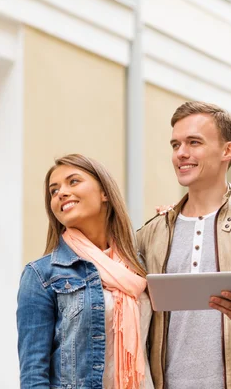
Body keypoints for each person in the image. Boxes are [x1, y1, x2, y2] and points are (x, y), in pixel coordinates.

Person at [137, 101, 231, 389]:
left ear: (227, 151)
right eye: (175, 145)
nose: (181, 153)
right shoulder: (150, 234)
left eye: (193, 142)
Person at [17, 154, 154, 389]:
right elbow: (33, 375)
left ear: (105, 193)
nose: (61, 193)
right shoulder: (41, 275)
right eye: (53, 190)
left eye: (73, 181)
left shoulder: (140, 265)